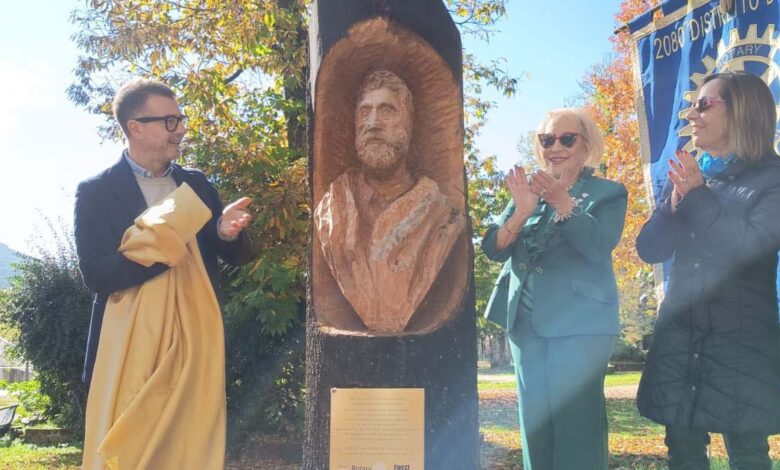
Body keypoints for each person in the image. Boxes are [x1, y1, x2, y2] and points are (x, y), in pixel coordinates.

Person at [75, 78, 252, 468]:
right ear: (136, 127)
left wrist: (225, 233)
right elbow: (96, 274)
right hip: (128, 354)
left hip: (193, 349)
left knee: (189, 452)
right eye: (170, 121)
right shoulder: (96, 192)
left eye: (181, 119)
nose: (181, 129)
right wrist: (166, 248)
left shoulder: (196, 184)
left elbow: (233, 255)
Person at [636, 71, 780, 469]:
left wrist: (697, 198)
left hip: (742, 340)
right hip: (681, 335)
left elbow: (750, 248)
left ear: (741, 112)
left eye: (704, 105)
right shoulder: (690, 174)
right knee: (682, 451)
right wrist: (672, 207)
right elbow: (649, 248)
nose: (691, 115)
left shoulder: (773, 178)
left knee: (747, 454)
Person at [482, 108, 627, 469]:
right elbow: (493, 249)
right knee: (535, 426)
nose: (555, 147)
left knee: (577, 428)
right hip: (524, 324)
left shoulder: (608, 193)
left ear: (586, 145)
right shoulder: (527, 191)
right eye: (547, 140)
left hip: (580, 326)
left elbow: (597, 246)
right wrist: (520, 212)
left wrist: (563, 203)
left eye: (566, 139)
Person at [313, 69, 465, 332]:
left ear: (408, 124)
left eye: (387, 111)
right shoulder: (331, 209)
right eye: (365, 112)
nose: (373, 123)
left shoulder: (442, 216)